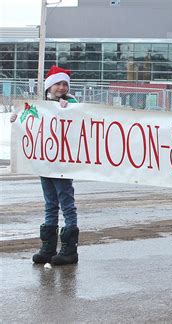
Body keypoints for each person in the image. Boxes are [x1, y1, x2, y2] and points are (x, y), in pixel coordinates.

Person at [10, 66, 79, 266]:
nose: (62, 87)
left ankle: (69, 248)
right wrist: (16, 119)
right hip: (45, 163)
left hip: (63, 163)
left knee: (66, 202)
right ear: (50, 86)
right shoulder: (39, 105)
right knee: (50, 203)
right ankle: (48, 247)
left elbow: (80, 119)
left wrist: (69, 107)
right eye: (58, 83)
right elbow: (27, 121)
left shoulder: (71, 102)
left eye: (65, 84)